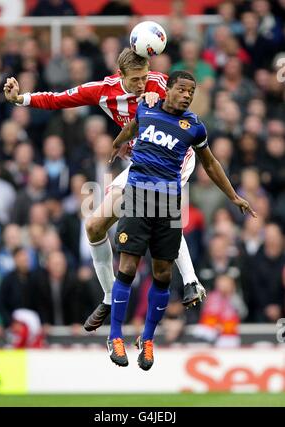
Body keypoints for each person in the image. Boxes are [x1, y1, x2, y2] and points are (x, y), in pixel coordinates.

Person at [3, 48, 204, 332]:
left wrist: (158, 101)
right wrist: (20, 99)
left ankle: (191, 281)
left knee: (162, 209)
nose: (141, 84)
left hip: (176, 159)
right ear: (120, 75)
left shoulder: (159, 84)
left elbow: (187, 115)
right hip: (140, 165)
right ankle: (110, 297)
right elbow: (60, 99)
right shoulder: (103, 91)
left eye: (144, 77)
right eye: (135, 79)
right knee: (95, 226)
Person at [107, 70, 256, 369]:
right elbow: (131, 128)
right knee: (127, 267)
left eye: (192, 91)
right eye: (183, 89)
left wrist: (233, 196)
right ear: (169, 89)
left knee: (162, 275)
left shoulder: (195, 127)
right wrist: (117, 145)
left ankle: (147, 341)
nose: (188, 95)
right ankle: (115, 336)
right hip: (137, 196)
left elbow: (210, 164)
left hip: (169, 205)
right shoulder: (147, 107)